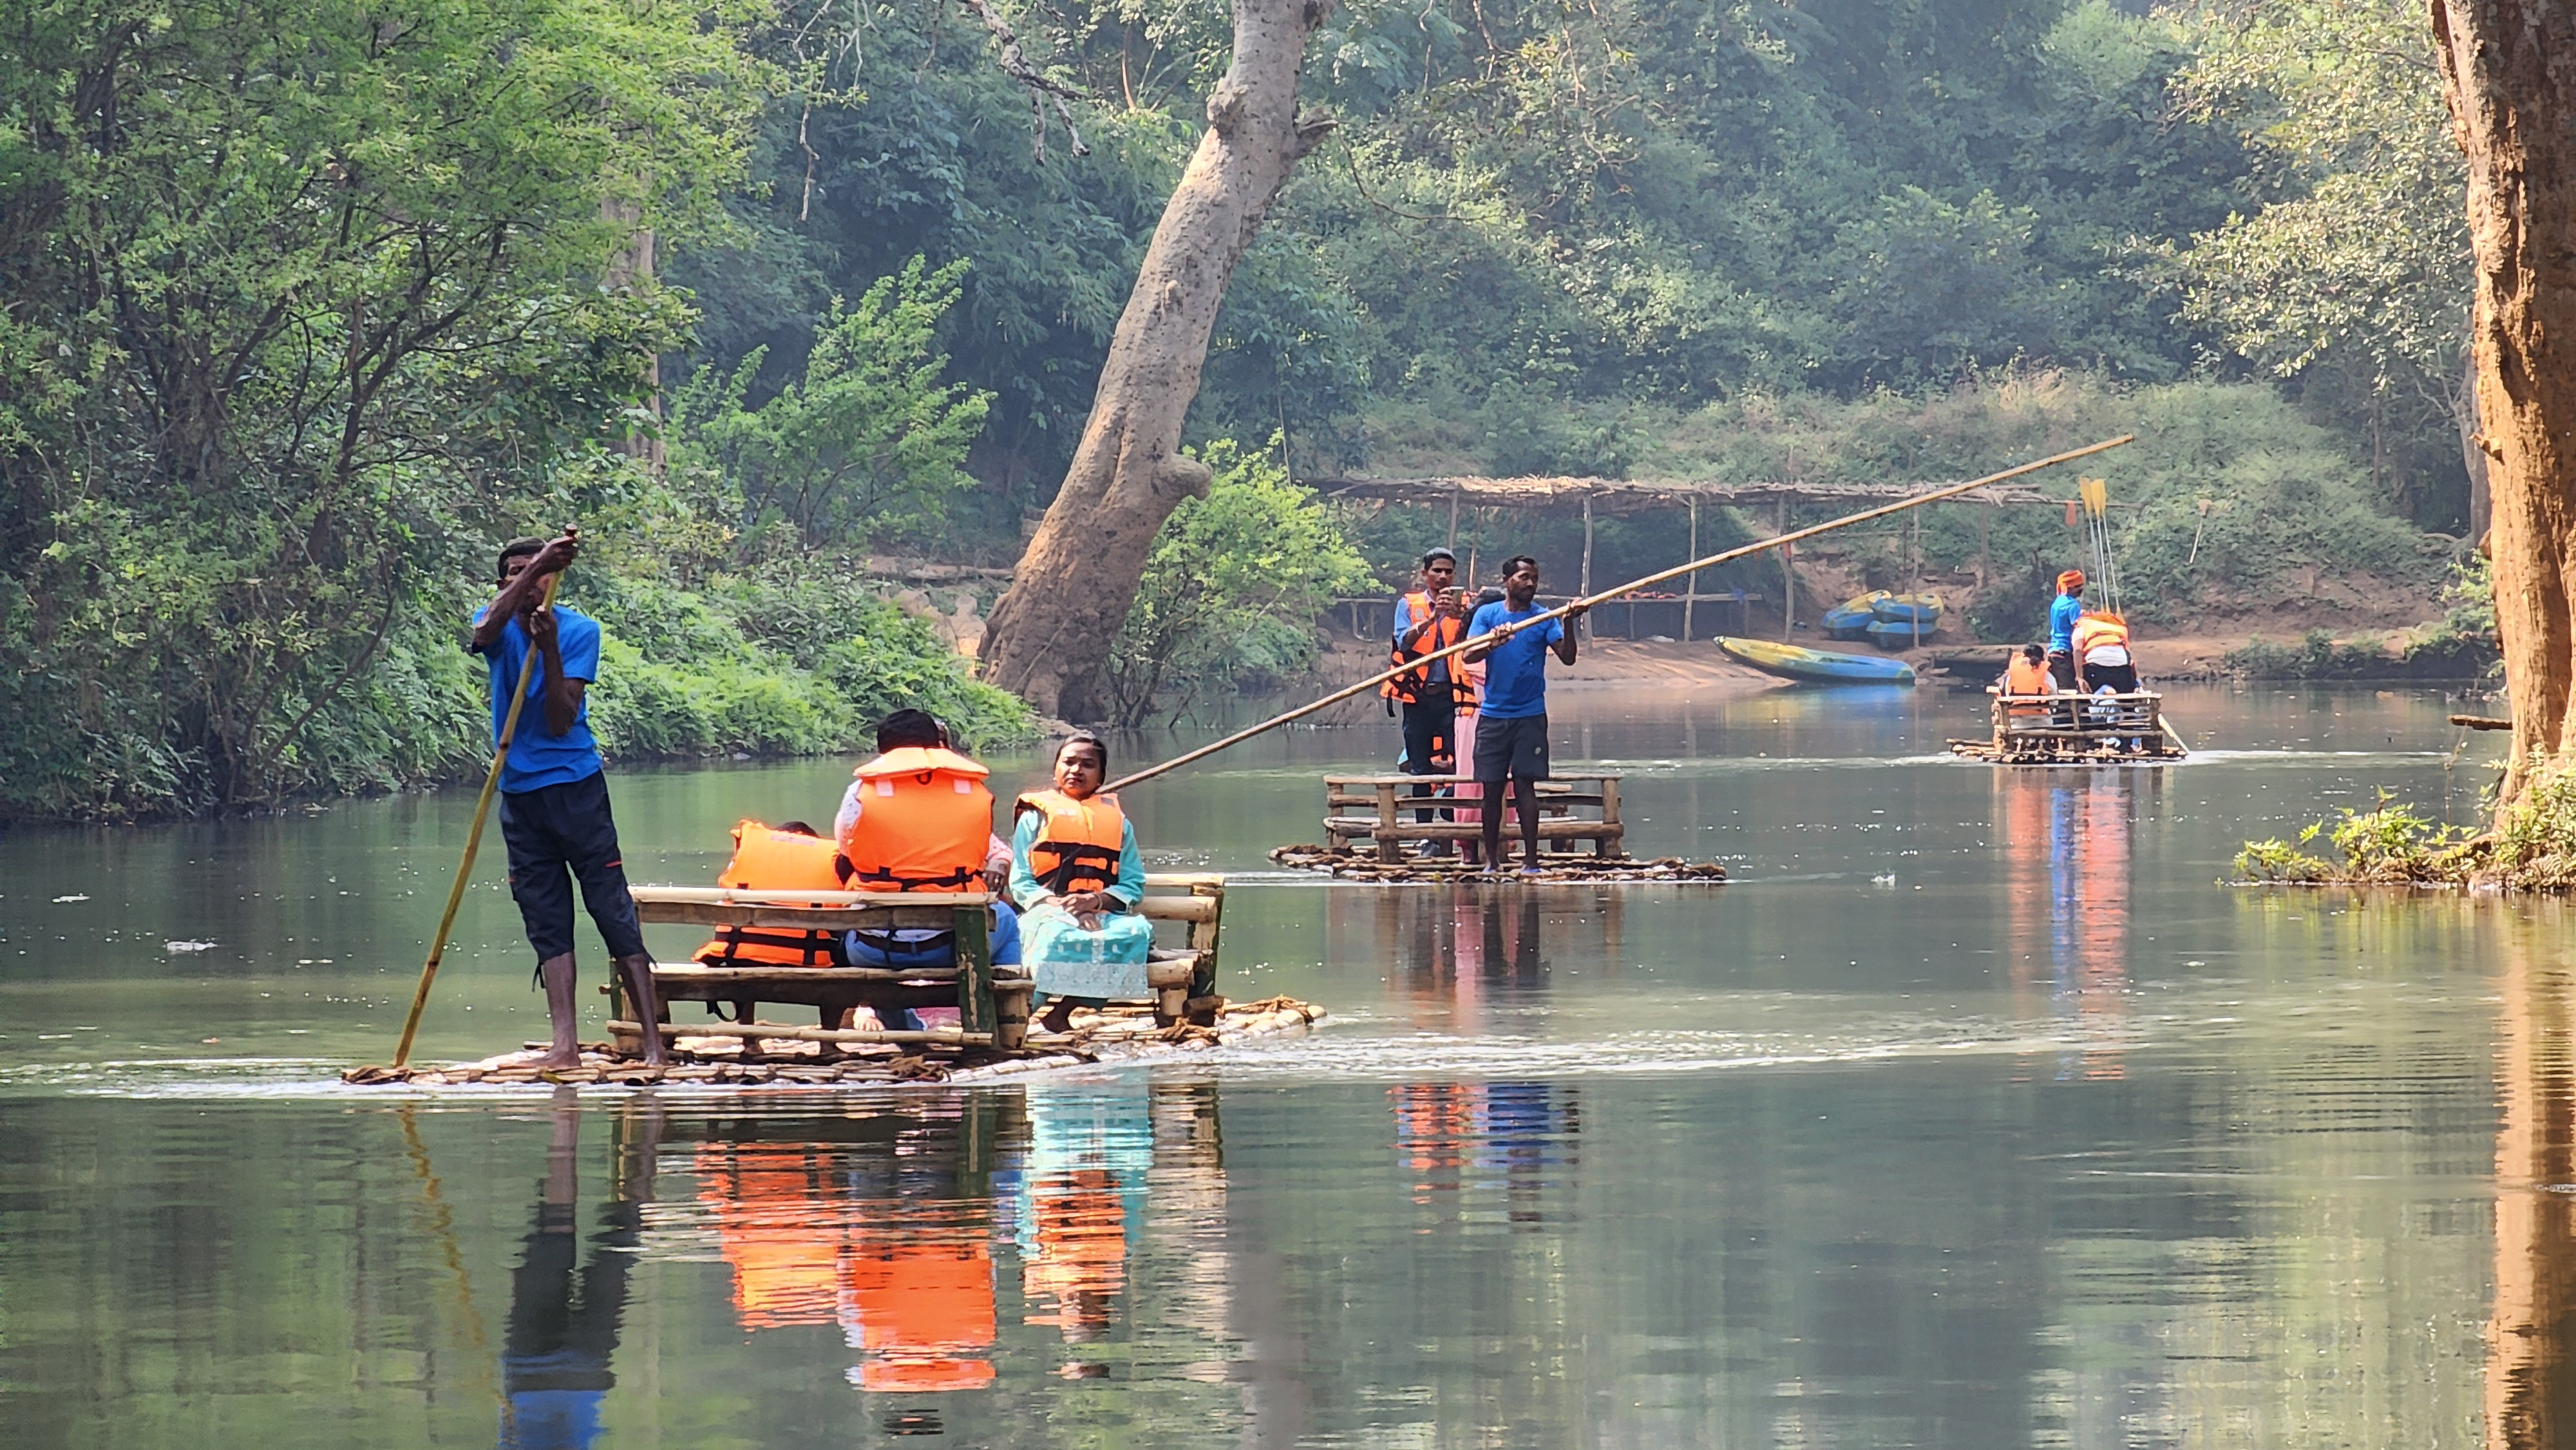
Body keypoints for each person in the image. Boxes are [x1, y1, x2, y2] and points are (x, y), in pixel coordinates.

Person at [470, 532, 667, 1069]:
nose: (524, 580)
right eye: (512, 572)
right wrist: (534, 564)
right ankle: (564, 1047)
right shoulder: (493, 620)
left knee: (610, 907)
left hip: (575, 786)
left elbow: (560, 720)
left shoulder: (579, 630)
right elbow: (482, 632)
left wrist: (550, 649)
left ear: (554, 582)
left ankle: (654, 1045)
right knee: (544, 914)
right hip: (518, 790)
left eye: (534, 573)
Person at [833, 711, 1017, 1029]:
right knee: (1008, 920)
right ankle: (1002, 1023)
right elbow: (984, 846)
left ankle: (907, 1031)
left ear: (883, 752)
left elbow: (847, 850)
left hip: (876, 948)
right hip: (953, 943)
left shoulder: (860, 792)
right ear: (936, 747)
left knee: (847, 934)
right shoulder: (969, 790)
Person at [1011, 733, 1149, 1035]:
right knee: (1055, 935)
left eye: (1088, 765)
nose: (1077, 770)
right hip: (1046, 912)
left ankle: (1063, 1011)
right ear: (1056, 769)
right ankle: (1021, 1015)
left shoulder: (1120, 824)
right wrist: (1062, 906)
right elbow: (1020, 881)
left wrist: (1094, 902)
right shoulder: (1034, 819)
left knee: (1136, 933)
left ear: (1100, 776)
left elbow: (1133, 883)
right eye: (1069, 762)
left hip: (1101, 913)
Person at [1462, 556, 1588, 873]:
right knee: (1491, 789)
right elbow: (1468, 654)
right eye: (1523, 577)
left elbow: (1568, 658)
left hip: (1530, 714)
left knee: (1525, 786)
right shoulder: (1487, 615)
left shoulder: (1544, 618)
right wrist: (1493, 642)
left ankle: (1531, 863)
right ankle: (1492, 862)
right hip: (1493, 715)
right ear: (1507, 581)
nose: (1530, 583)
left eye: (1534, 578)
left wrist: (1570, 620)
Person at [1387, 548, 1472, 854]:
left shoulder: (1467, 607)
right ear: (1425, 574)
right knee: (1420, 767)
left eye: (1448, 571)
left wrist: (1462, 616)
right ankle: (1426, 835)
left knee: (1457, 765)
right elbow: (1404, 641)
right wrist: (1432, 620)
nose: (1443, 576)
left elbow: (1477, 642)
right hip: (1418, 697)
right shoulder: (1409, 605)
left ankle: (1449, 831)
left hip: (1454, 700)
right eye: (1437, 570)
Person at [1452, 585, 1504, 866]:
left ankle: (1500, 845)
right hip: (1476, 720)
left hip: (1500, 719)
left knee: (1501, 784)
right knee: (1475, 783)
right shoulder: (1469, 651)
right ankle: (1469, 848)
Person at [2045, 570, 2087, 693]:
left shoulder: (2057, 603)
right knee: (2069, 692)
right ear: (2069, 588)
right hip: (2064, 653)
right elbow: (2077, 627)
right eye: (2077, 587)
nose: (2080, 589)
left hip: (2053, 651)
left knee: (2059, 690)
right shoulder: (2073, 605)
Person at [2000, 643, 2052, 724]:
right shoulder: (2044, 672)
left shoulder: (2013, 670)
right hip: (2040, 720)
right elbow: (2054, 692)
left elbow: (2005, 690)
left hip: (2016, 721)